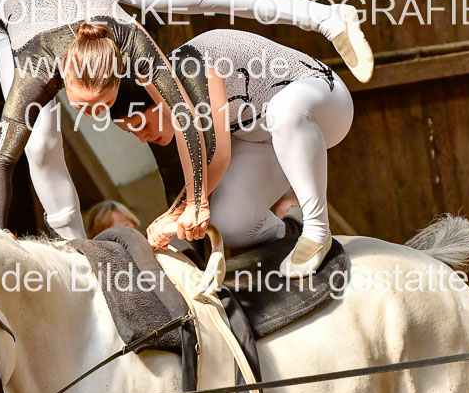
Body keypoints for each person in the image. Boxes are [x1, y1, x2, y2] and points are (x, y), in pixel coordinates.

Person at [0, 0, 371, 240]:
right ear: (62, 78)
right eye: (84, 107)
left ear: (118, 69)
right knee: (40, 144)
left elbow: (185, 115)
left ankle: (326, 17)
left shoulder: (129, 38)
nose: (96, 116)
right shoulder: (33, 70)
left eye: (103, 105)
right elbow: (2, 161)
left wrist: (197, 203)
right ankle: (79, 254)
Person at [64, 26, 354, 277]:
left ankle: (317, 231)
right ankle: (290, 231)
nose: (143, 138)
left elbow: (218, 156)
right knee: (231, 223)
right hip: (260, 137)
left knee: (284, 109)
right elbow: (188, 184)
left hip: (322, 102)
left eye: (143, 124)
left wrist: (177, 213)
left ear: (161, 101)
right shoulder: (174, 115)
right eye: (132, 132)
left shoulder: (197, 68)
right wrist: (170, 219)